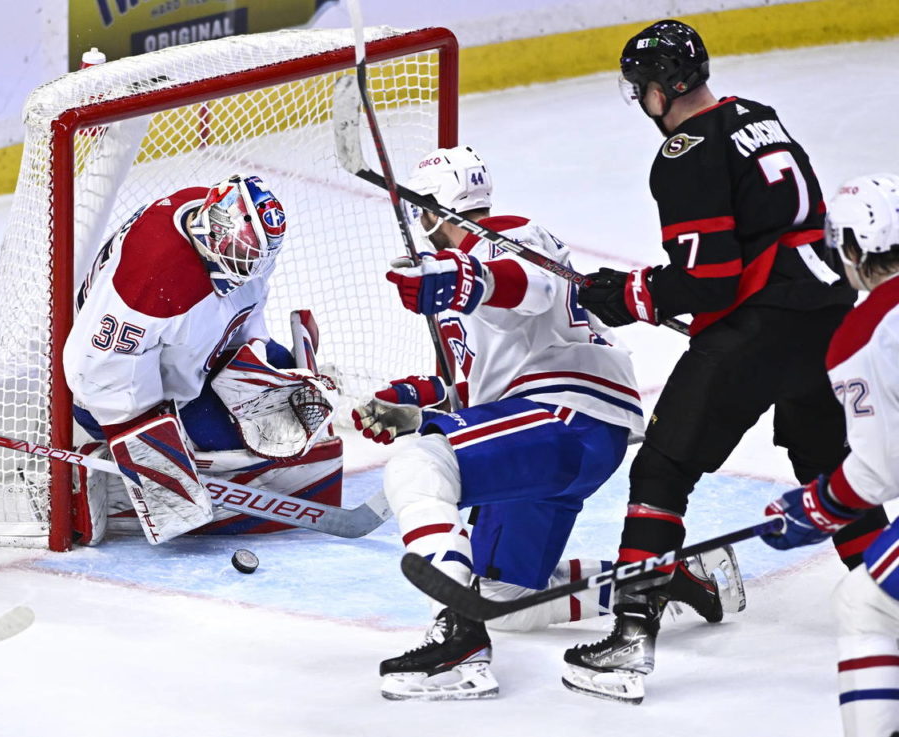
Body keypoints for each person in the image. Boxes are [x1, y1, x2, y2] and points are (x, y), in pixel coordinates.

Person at [564, 19, 889, 704]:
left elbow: (709, 278)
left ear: (661, 88)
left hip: (760, 330)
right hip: (829, 317)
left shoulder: (684, 152)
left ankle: (629, 640)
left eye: (641, 87)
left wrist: (628, 294)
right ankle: (893, 600)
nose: (641, 100)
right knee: (828, 469)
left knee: (662, 469)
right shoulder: (759, 118)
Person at [353, 145, 734, 701]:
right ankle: (664, 577)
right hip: (552, 435)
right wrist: (419, 404)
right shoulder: (468, 273)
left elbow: (528, 288)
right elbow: (483, 386)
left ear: (434, 209)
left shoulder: (508, 237)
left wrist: (461, 280)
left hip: (564, 415)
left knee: (419, 463)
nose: (419, 223)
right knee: (504, 599)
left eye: (421, 210)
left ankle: (457, 637)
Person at [63, 174, 341, 545]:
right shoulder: (151, 278)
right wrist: (154, 458)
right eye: (243, 255)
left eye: (255, 257)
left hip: (192, 357)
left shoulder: (219, 227)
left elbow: (241, 304)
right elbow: (94, 372)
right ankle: (105, 476)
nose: (249, 267)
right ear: (215, 232)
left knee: (286, 396)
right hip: (122, 396)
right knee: (237, 442)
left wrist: (255, 354)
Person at [760, 174, 899, 737]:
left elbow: (879, 470)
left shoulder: (864, 333)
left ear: (853, 248)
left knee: (867, 602)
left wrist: (816, 508)